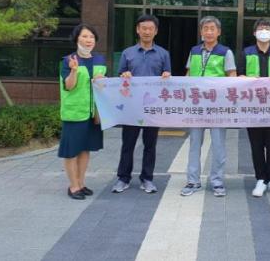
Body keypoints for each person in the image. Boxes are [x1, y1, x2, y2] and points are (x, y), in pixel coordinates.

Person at [112, 15, 171, 194]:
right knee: (128, 144)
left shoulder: (163, 54)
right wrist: (124, 75)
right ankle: (123, 178)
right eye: (143, 28)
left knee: (150, 145)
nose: (147, 31)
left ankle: (147, 178)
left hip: (152, 107)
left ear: (156, 31)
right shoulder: (127, 53)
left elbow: (168, 78)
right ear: (137, 30)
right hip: (132, 107)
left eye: (150, 28)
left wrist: (167, 76)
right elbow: (120, 76)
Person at [181, 16, 236, 197]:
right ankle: (193, 181)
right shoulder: (194, 50)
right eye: (206, 28)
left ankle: (217, 182)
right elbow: (189, 73)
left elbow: (232, 76)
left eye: (212, 28)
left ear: (219, 32)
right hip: (196, 105)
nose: (209, 32)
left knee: (218, 145)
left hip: (217, 106)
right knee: (194, 144)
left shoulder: (226, 52)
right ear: (201, 32)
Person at [238, 19, 270, 197]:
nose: (264, 31)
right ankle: (260, 179)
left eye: (267, 29)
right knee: (256, 144)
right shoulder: (247, 52)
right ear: (254, 33)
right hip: (253, 107)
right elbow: (239, 76)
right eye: (261, 28)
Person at [58, 24, 106, 200]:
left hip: (93, 113)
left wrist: (103, 81)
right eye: (84, 36)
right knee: (72, 151)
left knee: (85, 149)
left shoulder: (99, 59)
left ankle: (81, 183)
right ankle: (73, 186)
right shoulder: (68, 60)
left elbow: (102, 86)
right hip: (75, 112)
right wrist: (74, 70)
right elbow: (69, 86)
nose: (88, 40)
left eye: (91, 37)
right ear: (77, 38)